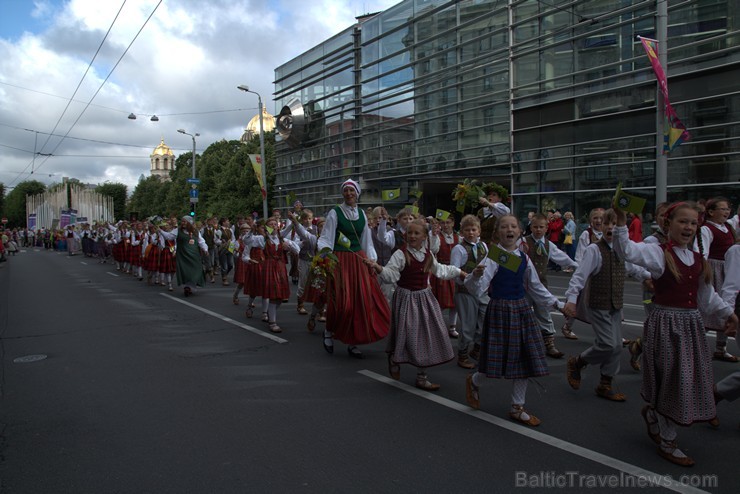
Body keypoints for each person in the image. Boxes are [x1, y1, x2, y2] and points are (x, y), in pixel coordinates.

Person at [612, 201, 738, 466]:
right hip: (666, 325)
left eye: (693, 223)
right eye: (683, 221)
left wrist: (729, 314)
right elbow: (626, 251)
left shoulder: (698, 260)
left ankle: (657, 418)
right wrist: (622, 222)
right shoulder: (659, 253)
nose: (688, 227)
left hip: (691, 326)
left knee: (684, 380)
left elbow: (707, 297)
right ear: (668, 224)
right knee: (672, 381)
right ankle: (668, 442)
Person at [464, 215, 564, 425]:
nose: (509, 229)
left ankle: (517, 406)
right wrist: (474, 275)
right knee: (495, 360)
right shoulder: (493, 257)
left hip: (521, 310)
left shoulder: (524, 258)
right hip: (500, 309)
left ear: (519, 232)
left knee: (524, 358)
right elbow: (477, 289)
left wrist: (558, 305)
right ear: (498, 233)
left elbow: (536, 287)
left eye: (513, 226)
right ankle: (474, 381)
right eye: (504, 227)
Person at [365, 219, 465, 390]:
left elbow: (440, 270)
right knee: (405, 334)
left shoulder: (428, 255)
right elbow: (390, 275)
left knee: (425, 336)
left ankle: (422, 376)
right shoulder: (401, 254)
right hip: (406, 298)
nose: (412, 236)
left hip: (424, 298)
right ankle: (395, 357)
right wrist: (377, 267)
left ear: (424, 236)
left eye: (416, 233)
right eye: (410, 233)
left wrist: (458, 272)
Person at [563, 209, 650, 402]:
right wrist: (571, 299)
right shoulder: (594, 249)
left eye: (615, 224)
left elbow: (633, 268)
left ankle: (605, 383)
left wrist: (647, 277)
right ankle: (578, 362)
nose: (610, 227)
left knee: (617, 345)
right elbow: (580, 275)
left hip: (615, 305)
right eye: (606, 223)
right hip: (598, 304)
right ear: (600, 227)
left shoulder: (622, 250)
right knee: (608, 344)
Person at [316, 179, 391, 358]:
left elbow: (366, 239)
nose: (349, 194)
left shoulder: (362, 214)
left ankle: (353, 341)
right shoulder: (335, 212)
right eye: (346, 191)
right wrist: (325, 255)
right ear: (343, 193)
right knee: (342, 302)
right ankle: (329, 331)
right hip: (341, 260)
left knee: (360, 301)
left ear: (357, 193)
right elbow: (327, 236)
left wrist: (371, 260)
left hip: (359, 260)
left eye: (352, 191)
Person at [523, 213, 577, 358]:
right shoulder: (523, 242)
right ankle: (524, 344)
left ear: (547, 228)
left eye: (541, 227)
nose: (538, 230)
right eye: (535, 227)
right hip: (524, 286)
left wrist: (576, 265)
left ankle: (549, 344)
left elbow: (561, 257)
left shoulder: (548, 244)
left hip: (541, 284)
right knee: (523, 314)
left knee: (544, 314)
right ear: (531, 227)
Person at [244, 216, 299, 333]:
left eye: (275, 224)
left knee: (280, 297)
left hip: (280, 267)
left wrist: (288, 248)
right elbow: (247, 241)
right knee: (273, 295)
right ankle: (272, 322)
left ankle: (270, 312)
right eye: (271, 225)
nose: (274, 226)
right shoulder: (262, 239)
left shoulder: (282, 238)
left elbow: (297, 250)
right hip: (269, 267)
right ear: (266, 228)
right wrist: (252, 231)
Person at [700, 197, 738, 362]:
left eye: (728, 209)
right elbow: (703, 252)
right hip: (714, 270)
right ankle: (696, 346)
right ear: (711, 212)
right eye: (722, 209)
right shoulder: (706, 229)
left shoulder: (727, 227)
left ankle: (721, 348)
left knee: (727, 310)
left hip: (728, 269)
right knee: (711, 310)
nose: (726, 212)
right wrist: (705, 270)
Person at [561, 208, 605, 340]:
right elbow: (580, 256)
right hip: (589, 274)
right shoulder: (587, 235)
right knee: (579, 302)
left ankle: (610, 332)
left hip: (602, 276)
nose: (598, 221)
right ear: (591, 220)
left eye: (601, 218)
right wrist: (583, 273)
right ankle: (567, 326)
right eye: (595, 218)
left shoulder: (608, 234)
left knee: (606, 304)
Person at [451, 214, 488, 369]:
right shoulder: (459, 249)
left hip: (482, 290)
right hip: (465, 291)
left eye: (473, 229)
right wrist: (466, 279)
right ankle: (463, 354)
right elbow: (454, 271)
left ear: (479, 231)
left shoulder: (483, 246)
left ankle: (477, 348)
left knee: (484, 321)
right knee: (468, 324)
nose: (471, 233)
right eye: (467, 230)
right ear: (462, 232)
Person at [159, 216, 208, 296]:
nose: (183, 223)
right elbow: (169, 237)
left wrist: (205, 249)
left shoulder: (195, 231)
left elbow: (201, 241)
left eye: (184, 222)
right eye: (182, 221)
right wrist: (160, 231)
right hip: (183, 255)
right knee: (185, 270)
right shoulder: (178, 230)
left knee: (195, 271)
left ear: (189, 223)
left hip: (194, 255)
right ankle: (187, 287)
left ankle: (191, 286)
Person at [430, 214, 460, 338]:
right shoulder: (438, 237)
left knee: (455, 303)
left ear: (453, 223)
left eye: (448, 222)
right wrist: (434, 234)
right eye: (443, 223)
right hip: (442, 272)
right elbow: (433, 249)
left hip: (455, 272)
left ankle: (452, 327)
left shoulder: (459, 238)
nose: (446, 225)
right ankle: (439, 327)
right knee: (440, 302)